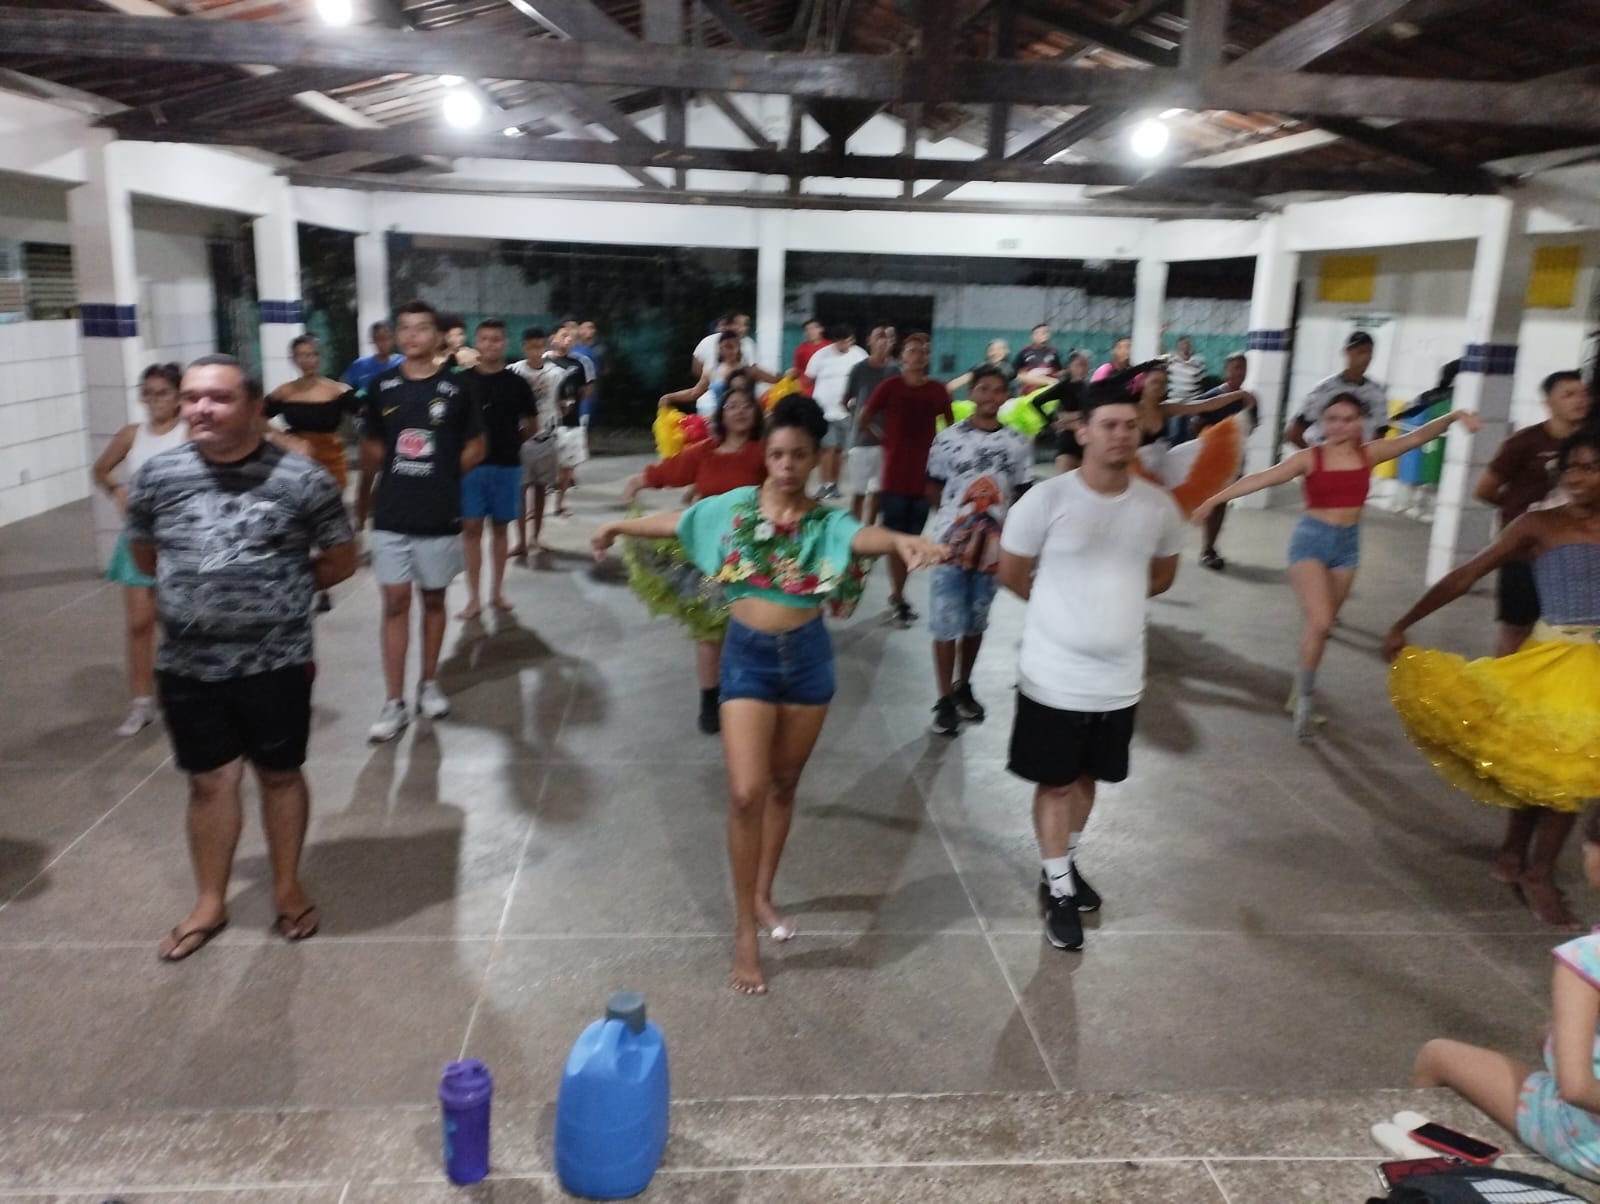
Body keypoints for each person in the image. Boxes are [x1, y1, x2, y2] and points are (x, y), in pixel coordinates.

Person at [592, 395, 945, 995]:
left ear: (814, 459)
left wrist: (900, 541)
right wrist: (619, 524)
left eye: (798, 455)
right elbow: (678, 523)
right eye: (777, 454)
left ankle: (763, 895)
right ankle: (744, 932)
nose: (785, 466)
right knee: (744, 793)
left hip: (807, 663)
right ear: (767, 455)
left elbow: (863, 535)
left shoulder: (825, 523)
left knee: (783, 786)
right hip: (747, 660)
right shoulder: (733, 509)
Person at [124, 354, 356, 961]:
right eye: (192, 397)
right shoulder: (158, 476)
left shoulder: (302, 478)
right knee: (208, 782)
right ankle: (210, 901)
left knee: (279, 774)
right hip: (188, 664)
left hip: (275, 662)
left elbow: (340, 559)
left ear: (255, 407)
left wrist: (276, 591)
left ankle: (287, 888)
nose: (200, 408)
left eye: (219, 397)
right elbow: (147, 556)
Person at [1385, 427, 1600, 928]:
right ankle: (1526, 862)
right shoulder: (1539, 524)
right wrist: (1405, 622)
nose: (1579, 477)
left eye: (1592, 467)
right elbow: (1468, 575)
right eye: (1571, 467)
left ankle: (1526, 863)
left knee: (1564, 768)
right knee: (1549, 765)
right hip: (1550, 658)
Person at [997, 388, 1185, 953]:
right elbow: (1011, 573)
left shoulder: (1157, 507)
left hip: (1120, 677)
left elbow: (1163, 575)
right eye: (1108, 424)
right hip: (1053, 673)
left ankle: (1063, 863)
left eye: (1129, 425)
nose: (1120, 434)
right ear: (1083, 432)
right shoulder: (1046, 499)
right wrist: (1064, 615)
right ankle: (1059, 890)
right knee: (1055, 781)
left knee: (1087, 778)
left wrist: (1110, 605)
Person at [1192, 396, 1478, 740]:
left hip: (1347, 547)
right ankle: (1305, 702)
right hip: (1311, 542)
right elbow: (1262, 478)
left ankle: (1299, 692)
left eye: (1347, 419)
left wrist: (1454, 415)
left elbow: (1417, 437)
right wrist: (1213, 500)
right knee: (1322, 621)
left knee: (1321, 628)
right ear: (1323, 423)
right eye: (1332, 419)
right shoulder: (1309, 458)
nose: (1339, 426)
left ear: (1360, 422)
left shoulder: (1369, 454)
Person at [1413, 801, 1600, 1186]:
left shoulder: (1587, 958)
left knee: (1437, 1053)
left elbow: (1578, 1088)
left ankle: (1422, 1174)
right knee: (1547, 1033)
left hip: (1590, 1146)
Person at [357, 300, 486, 743]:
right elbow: (372, 444)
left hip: (439, 512)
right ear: (397, 335)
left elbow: (477, 445)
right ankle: (393, 702)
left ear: (437, 336)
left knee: (433, 600)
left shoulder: (458, 387)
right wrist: (391, 475)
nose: (412, 335)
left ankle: (428, 683)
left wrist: (443, 474)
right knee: (395, 603)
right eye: (405, 328)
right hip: (392, 512)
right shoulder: (381, 386)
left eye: (422, 328)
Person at [620, 386, 768, 734]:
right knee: (709, 630)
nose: (739, 411)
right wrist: (639, 481)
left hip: (753, 554)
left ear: (756, 414)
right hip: (708, 554)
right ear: (722, 414)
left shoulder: (763, 453)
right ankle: (709, 701)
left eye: (746, 406)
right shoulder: (705, 452)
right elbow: (671, 471)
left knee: (751, 631)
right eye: (732, 406)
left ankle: (746, 696)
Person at [926, 365, 1033, 736]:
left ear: (1007, 396)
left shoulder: (1017, 443)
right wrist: (952, 525)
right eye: (983, 389)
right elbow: (933, 486)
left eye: (998, 390)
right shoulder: (948, 439)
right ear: (971, 393)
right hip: (949, 546)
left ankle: (963, 686)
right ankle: (944, 699)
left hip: (992, 550)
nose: (990, 396)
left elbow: (1022, 494)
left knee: (976, 621)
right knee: (945, 621)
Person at [92, 362, 188, 737]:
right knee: (139, 624)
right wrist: (116, 489)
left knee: (181, 623)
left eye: (162, 393)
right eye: (147, 394)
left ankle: (186, 694)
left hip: (180, 539)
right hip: (139, 536)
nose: (154, 401)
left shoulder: (189, 432)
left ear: (178, 397)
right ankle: (141, 703)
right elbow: (101, 469)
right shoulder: (132, 434)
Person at [1475, 370, 1592, 655]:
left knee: (1573, 628)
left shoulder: (1591, 445)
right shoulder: (1524, 442)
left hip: (1574, 554)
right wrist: (1524, 516)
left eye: (1583, 394)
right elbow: (1485, 489)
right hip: (1524, 555)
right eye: (1569, 395)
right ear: (1549, 403)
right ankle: (1501, 680)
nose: (1579, 400)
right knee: (1517, 628)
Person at [859, 332, 955, 628]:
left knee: (914, 539)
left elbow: (951, 428)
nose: (918, 355)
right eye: (912, 350)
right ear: (902, 356)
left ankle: (899, 593)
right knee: (895, 539)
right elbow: (864, 419)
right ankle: (898, 596)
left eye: (924, 351)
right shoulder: (890, 387)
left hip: (925, 478)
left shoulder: (938, 390)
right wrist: (885, 441)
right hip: (895, 477)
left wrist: (941, 457)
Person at [458, 319, 536, 620]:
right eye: (485, 339)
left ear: (505, 343)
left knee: (501, 529)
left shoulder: (517, 383)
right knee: (471, 531)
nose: (490, 344)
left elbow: (532, 424)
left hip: (506, 465)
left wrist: (511, 442)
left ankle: (497, 592)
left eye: (496, 339)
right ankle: (473, 598)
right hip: (470, 468)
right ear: (476, 342)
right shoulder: (461, 383)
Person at [1191, 352, 1257, 570]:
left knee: (1221, 504)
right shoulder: (1212, 397)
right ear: (1226, 370)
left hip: (1235, 459)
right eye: (1235, 367)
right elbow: (1195, 425)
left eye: (1243, 368)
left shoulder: (1248, 399)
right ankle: (1207, 549)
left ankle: (1210, 547)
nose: (1240, 372)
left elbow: (1250, 427)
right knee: (1214, 503)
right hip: (1212, 460)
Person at [510, 327, 563, 556]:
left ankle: (536, 538)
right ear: (524, 347)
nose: (535, 352)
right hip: (520, 440)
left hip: (546, 437)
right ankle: (520, 541)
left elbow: (563, 401)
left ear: (545, 347)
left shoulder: (557, 374)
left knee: (541, 488)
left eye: (539, 347)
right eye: (531, 347)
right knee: (520, 490)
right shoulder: (513, 371)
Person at [1285, 330, 1388, 447]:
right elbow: (1294, 433)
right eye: (1360, 352)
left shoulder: (1377, 393)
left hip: (1358, 456)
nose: (1365, 358)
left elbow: (1380, 433)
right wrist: (1315, 456)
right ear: (1347, 352)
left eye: (1369, 353)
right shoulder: (1324, 389)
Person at [804, 324, 868, 500]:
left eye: (849, 341)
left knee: (840, 450)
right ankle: (825, 484)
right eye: (842, 342)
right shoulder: (821, 356)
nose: (846, 345)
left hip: (847, 412)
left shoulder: (860, 355)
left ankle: (834, 485)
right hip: (824, 411)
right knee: (828, 448)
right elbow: (809, 379)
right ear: (834, 341)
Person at [842, 324, 898, 525]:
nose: (884, 341)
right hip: (861, 440)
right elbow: (846, 400)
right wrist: (859, 417)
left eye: (887, 337)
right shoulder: (859, 369)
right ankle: (853, 533)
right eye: (879, 336)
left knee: (876, 492)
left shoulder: (896, 371)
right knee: (859, 492)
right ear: (869, 341)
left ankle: (868, 531)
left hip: (886, 441)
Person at [662, 332, 779, 423]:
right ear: (719, 349)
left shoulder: (750, 371)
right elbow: (694, 393)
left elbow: (777, 380)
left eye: (731, 347)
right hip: (719, 421)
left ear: (738, 347)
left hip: (745, 420)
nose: (728, 351)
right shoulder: (712, 371)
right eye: (724, 347)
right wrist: (669, 397)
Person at [544, 319, 595, 518]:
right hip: (547, 424)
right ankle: (536, 506)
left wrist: (571, 402)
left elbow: (587, 389)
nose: (568, 339)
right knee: (542, 467)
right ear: (553, 338)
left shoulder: (581, 362)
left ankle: (560, 503)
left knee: (568, 466)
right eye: (564, 335)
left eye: (570, 336)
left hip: (572, 422)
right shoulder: (543, 361)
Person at [692, 313, 757, 380]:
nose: (743, 328)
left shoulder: (748, 343)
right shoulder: (707, 341)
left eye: (745, 325)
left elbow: (752, 369)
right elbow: (696, 369)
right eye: (738, 324)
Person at [342, 321, 402, 393]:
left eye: (387, 338)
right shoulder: (359, 365)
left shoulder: (403, 363)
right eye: (379, 338)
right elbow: (341, 388)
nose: (384, 342)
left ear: (394, 339)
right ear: (373, 340)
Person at [947, 339, 1018, 396]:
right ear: (987, 353)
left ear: (1006, 352)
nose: (995, 352)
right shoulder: (981, 366)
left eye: (999, 349)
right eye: (992, 350)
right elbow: (966, 378)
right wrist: (946, 389)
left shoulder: (1009, 368)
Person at [573, 318, 603, 430]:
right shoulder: (570, 350)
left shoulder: (594, 351)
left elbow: (595, 376)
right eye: (586, 327)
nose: (589, 331)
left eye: (592, 328)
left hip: (586, 396)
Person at [792, 318, 828, 385]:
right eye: (807, 330)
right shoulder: (800, 349)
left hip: (825, 384)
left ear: (821, 329)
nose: (810, 332)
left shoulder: (830, 347)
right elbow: (797, 370)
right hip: (806, 386)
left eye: (813, 328)